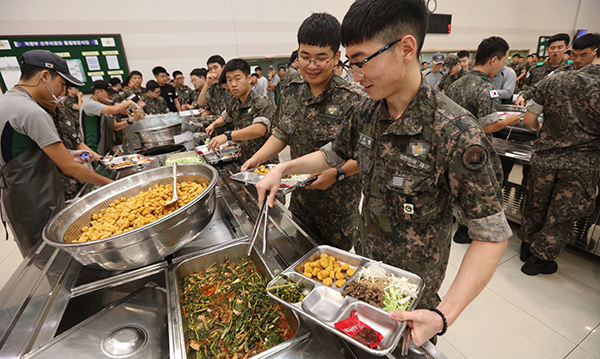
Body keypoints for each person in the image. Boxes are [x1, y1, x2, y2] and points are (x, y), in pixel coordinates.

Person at [256, 0, 511, 347]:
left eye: (362, 61)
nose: (356, 75)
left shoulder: (455, 132)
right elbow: (334, 153)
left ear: (406, 48)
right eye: (351, 63)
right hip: (361, 275)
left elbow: (491, 234)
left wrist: (443, 315)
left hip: (410, 299)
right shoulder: (366, 111)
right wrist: (284, 168)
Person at [242, 12, 366, 251]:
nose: (311, 66)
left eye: (321, 58)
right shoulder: (292, 88)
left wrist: (336, 173)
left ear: (336, 57)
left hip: (337, 208)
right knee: (299, 257)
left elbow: (363, 155)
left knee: (333, 272)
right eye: (304, 57)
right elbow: (282, 133)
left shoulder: (354, 99)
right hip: (300, 199)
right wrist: (258, 158)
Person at [0, 50, 113, 256]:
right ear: (44, 76)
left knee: (37, 254)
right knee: (56, 257)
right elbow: (69, 168)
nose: (63, 91)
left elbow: (20, 151)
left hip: (15, 198)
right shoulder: (31, 111)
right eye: (62, 83)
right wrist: (112, 186)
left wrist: (68, 153)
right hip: (38, 201)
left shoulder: (7, 102)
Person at [519, 48, 600, 276]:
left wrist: (544, 133)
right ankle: (539, 259)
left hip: (545, 156)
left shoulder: (555, 79)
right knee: (562, 213)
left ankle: (526, 245)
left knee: (536, 202)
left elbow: (529, 119)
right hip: (582, 163)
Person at [446, 37, 520, 244]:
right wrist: (509, 121)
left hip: (452, 146)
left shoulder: (456, 85)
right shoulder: (486, 89)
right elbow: (487, 127)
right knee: (474, 192)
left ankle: (458, 226)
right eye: (503, 61)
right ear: (494, 59)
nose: (502, 66)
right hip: (475, 151)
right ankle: (466, 230)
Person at [204, 59, 276, 164]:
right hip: (244, 159)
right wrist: (213, 124)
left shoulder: (260, 102)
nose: (233, 84)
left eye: (238, 79)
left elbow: (259, 129)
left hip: (263, 162)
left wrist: (227, 136)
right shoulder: (235, 102)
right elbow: (225, 117)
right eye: (229, 80)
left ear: (249, 79)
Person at [81, 80, 140, 155]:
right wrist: (129, 102)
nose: (110, 97)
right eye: (108, 94)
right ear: (97, 92)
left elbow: (115, 126)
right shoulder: (90, 104)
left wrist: (130, 120)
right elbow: (115, 109)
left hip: (104, 148)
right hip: (92, 149)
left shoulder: (103, 107)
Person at [516, 33, 571, 105]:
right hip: (534, 108)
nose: (555, 51)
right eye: (552, 48)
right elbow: (525, 89)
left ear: (566, 48)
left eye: (560, 47)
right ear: (547, 49)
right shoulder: (535, 69)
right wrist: (522, 96)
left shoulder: (571, 70)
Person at [55, 85, 85, 199]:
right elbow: (79, 107)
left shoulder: (64, 111)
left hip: (75, 177)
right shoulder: (67, 101)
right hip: (59, 181)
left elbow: (77, 142)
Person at [196, 55, 235, 135]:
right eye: (210, 69)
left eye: (215, 68)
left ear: (223, 67)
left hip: (233, 129)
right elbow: (201, 103)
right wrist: (207, 83)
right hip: (218, 130)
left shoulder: (232, 84)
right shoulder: (213, 88)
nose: (213, 71)